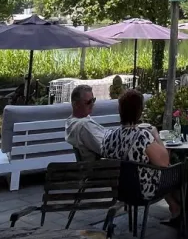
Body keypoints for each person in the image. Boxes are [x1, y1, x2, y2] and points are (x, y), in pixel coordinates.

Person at [101, 90, 181, 224]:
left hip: (120, 191)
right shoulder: (143, 136)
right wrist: (155, 135)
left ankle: (175, 207)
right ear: (139, 111)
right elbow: (164, 162)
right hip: (143, 191)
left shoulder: (109, 136)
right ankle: (181, 213)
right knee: (180, 170)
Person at [65, 85, 107, 160]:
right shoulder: (84, 125)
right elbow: (108, 149)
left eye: (93, 100)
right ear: (76, 104)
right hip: (101, 168)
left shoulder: (72, 121)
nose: (92, 104)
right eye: (88, 102)